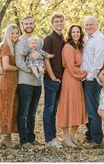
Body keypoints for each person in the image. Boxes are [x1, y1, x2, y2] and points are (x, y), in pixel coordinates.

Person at [57, 25, 88, 147]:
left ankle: (72, 135)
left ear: (80, 34)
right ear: (70, 34)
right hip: (70, 78)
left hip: (78, 80)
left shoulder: (79, 47)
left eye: (77, 32)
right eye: (73, 32)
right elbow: (70, 67)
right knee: (68, 106)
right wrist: (86, 73)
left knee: (77, 106)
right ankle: (65, 137)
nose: (76, 34)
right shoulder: (68, 47)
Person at [15, 16, 43, 149]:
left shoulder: (39, 41)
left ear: (34, 24)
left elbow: (42, 55)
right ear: (22, 25)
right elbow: (19, 62)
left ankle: (31, 138)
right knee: (24, 112)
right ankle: (24, 140)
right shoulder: (21, 41)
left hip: (38, 83)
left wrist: (41, 57)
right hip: (25, 82)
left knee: (33, 112)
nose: (29, 25)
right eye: (26, 24)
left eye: (31, 23)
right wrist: (32, 71)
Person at [81, 16, 104, 148]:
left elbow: (98, 61)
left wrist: (90, 77)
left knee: (92, 109)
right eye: (86, 25)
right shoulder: (87, 39)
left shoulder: (100, 39)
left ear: (97, 24)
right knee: (87, 108)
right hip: (84, 78)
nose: (89, 26)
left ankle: (97, 138)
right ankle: (90, 133)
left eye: (91, 24)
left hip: (92, 79)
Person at [43, 13, 65, 148]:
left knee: (54, 109)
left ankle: (54, 137)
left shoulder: (63, 38)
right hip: (52, 79)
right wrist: (52, 77)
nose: (59, 23)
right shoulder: (49, 38)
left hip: (61, 79)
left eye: (61, 21)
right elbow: (46, 59)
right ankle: (49, 138)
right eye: (56, 21)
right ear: (52, 23)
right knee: (49, 108)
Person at [0, 24, 20, 148]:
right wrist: (19, 68)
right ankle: (6, 138)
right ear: (8, 34)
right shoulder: (5, 46)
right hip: (7, 82)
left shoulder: (13, 46)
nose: (15, 35)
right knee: (7, 108)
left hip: (13, 82)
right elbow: (6, 66)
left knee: (13, 108)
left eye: (17, 33)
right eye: (13, 33)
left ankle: (8, 138)